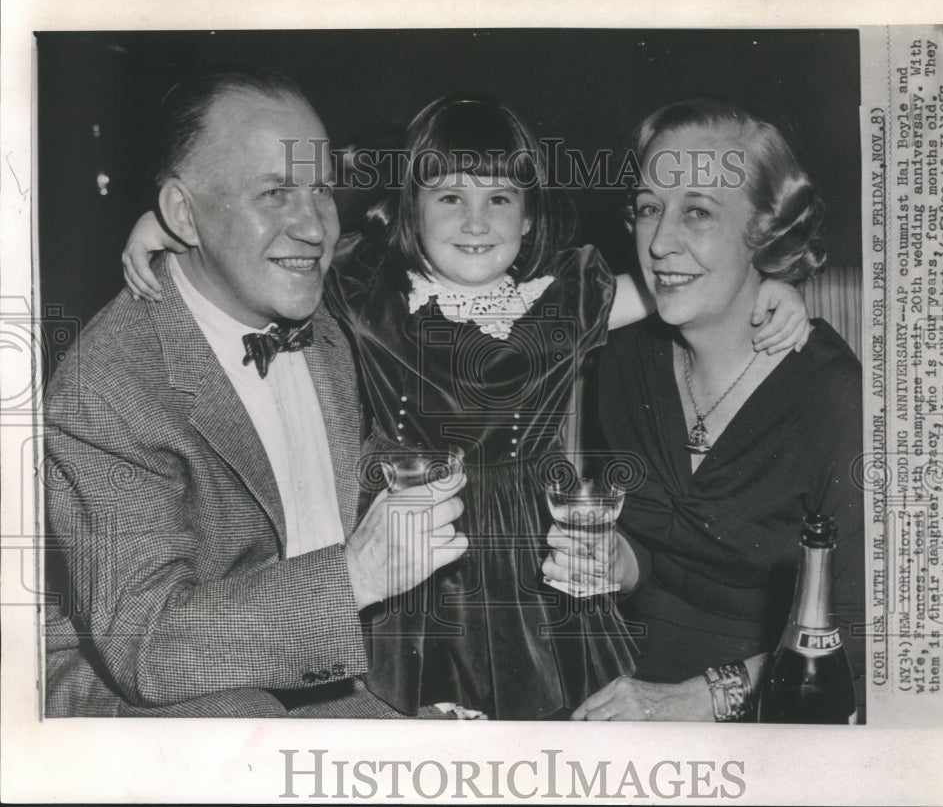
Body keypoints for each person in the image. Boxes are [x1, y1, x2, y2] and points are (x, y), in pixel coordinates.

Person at [122, 93, 811, 719]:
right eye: (449, 197)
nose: (477, 221)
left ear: (529, 212)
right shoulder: (368, 288)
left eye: (501, 198)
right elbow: (268, 250)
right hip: (409, 560)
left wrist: (775, 286)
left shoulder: (561, 298)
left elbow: (683, 284)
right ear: (410, 210)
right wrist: (167, 233)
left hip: (536, 572)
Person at [43, 68, 468, 718]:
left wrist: (409, 477)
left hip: (310, 680)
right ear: (183, 213)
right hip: (170, 706)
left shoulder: (311, 318)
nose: (315, 227)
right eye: (275, 193)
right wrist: (355, 576)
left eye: (322, 192)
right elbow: (148, 645)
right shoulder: (105, 387)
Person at [543, 97, 865, 721]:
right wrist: (618, 560)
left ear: (764, 233)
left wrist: (700, 699)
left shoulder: (833, 397)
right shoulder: (623, 361)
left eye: (698, 212)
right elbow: (653, 550)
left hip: (774, 706)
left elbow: (862, 632)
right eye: (648, 209)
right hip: (616, 680)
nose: (660, 242)